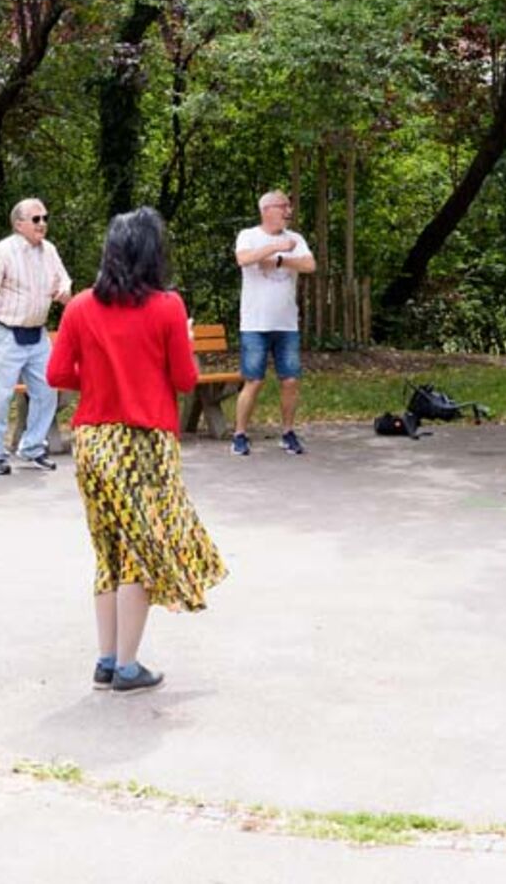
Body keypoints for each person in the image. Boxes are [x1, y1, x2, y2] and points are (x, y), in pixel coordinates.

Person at [47, 207, 226, 695]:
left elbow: (58, 376)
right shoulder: (167, 307)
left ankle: (106, 660)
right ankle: (126, 666)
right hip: (144, 444)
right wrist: (181, 343)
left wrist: (101, 379)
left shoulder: (80, 306)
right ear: (152, 252)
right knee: (143, 554)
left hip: (92, 441)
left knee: (108, 552)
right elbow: (185, 380)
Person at [0, 198, 72, 475]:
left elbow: (63, 281)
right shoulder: (1, 253)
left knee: (47, 391)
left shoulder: (49, 251)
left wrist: (63, 291)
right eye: (36, 219)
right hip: (3, 332)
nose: (43, 224)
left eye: (45, 218)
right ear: (19, 224)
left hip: (37, 335)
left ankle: (32, 447)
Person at [231, 191, 316, 456]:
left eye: (289, 206)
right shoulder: (248, 235)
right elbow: (243, 259)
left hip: (287, 324)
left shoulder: (296, 239)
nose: (288, 210)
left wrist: (279, 259)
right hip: (255, 324)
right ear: (266, 209)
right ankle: (240, 435)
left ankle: (288, 432)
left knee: (290, 380)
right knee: (253, 381)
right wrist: (274, 247)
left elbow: (309, 265)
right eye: (283, 206)